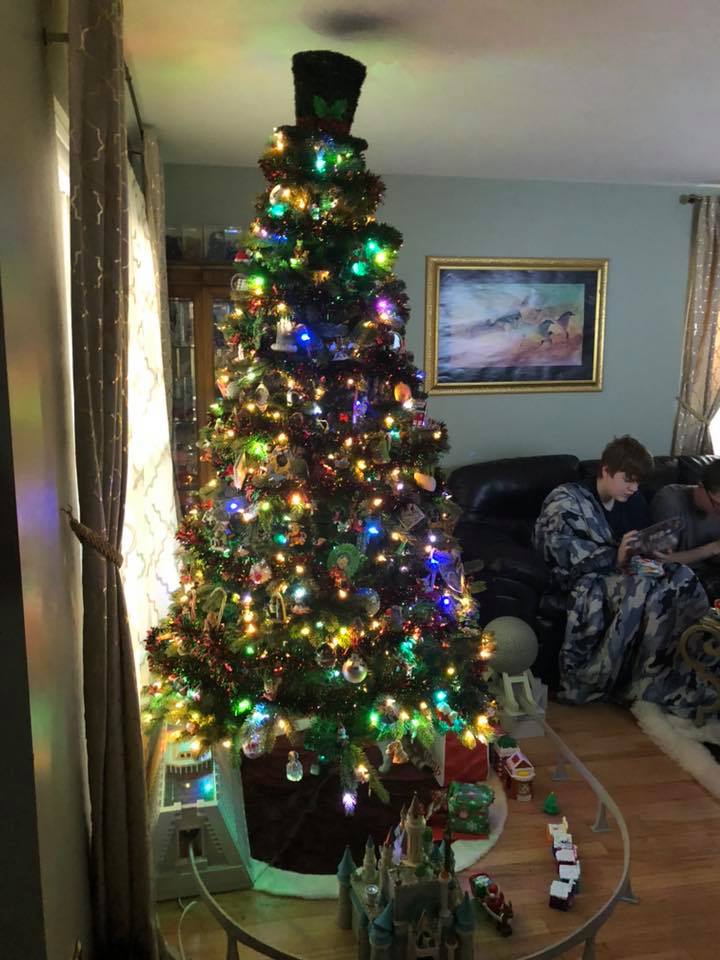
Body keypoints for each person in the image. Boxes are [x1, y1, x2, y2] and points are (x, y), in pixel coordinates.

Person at [534, 436, 709, 710]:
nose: (633, 488)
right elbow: (559, 551)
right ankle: (640, 682)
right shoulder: (568, 500)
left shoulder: (633, 501)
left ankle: (688, 669)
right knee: (642, 589)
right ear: (606, 470)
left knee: (681, 576)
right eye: (628, 479)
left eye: (638, 482)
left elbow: (639, 546)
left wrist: (653, 549)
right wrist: (615, 555)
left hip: (628, 568)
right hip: (587, 577)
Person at [650, 461, 720, 596]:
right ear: (701, 486)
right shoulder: (670, 501)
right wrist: (713, 548)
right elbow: (660, 562)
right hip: (680, 580)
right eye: (717, 504)